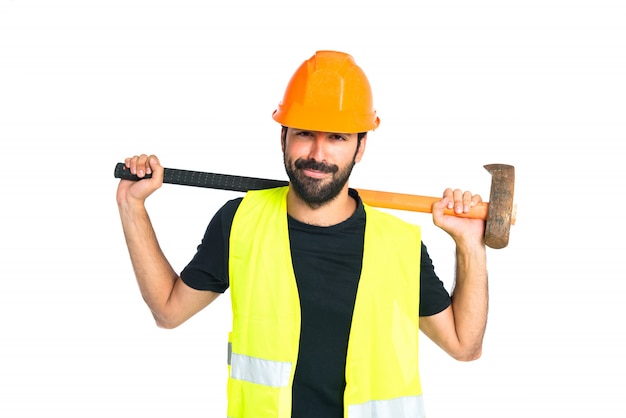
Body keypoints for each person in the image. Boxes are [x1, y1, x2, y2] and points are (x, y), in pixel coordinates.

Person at [116, 50, 488, 418]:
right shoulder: (241, 222)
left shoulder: (399, 245)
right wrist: (132, 207)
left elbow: (464, 345)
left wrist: (469, 244)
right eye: (305, 133)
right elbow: (168, 311)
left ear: (361, 146)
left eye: (337, 137)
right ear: (283, 137)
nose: (317, 153)